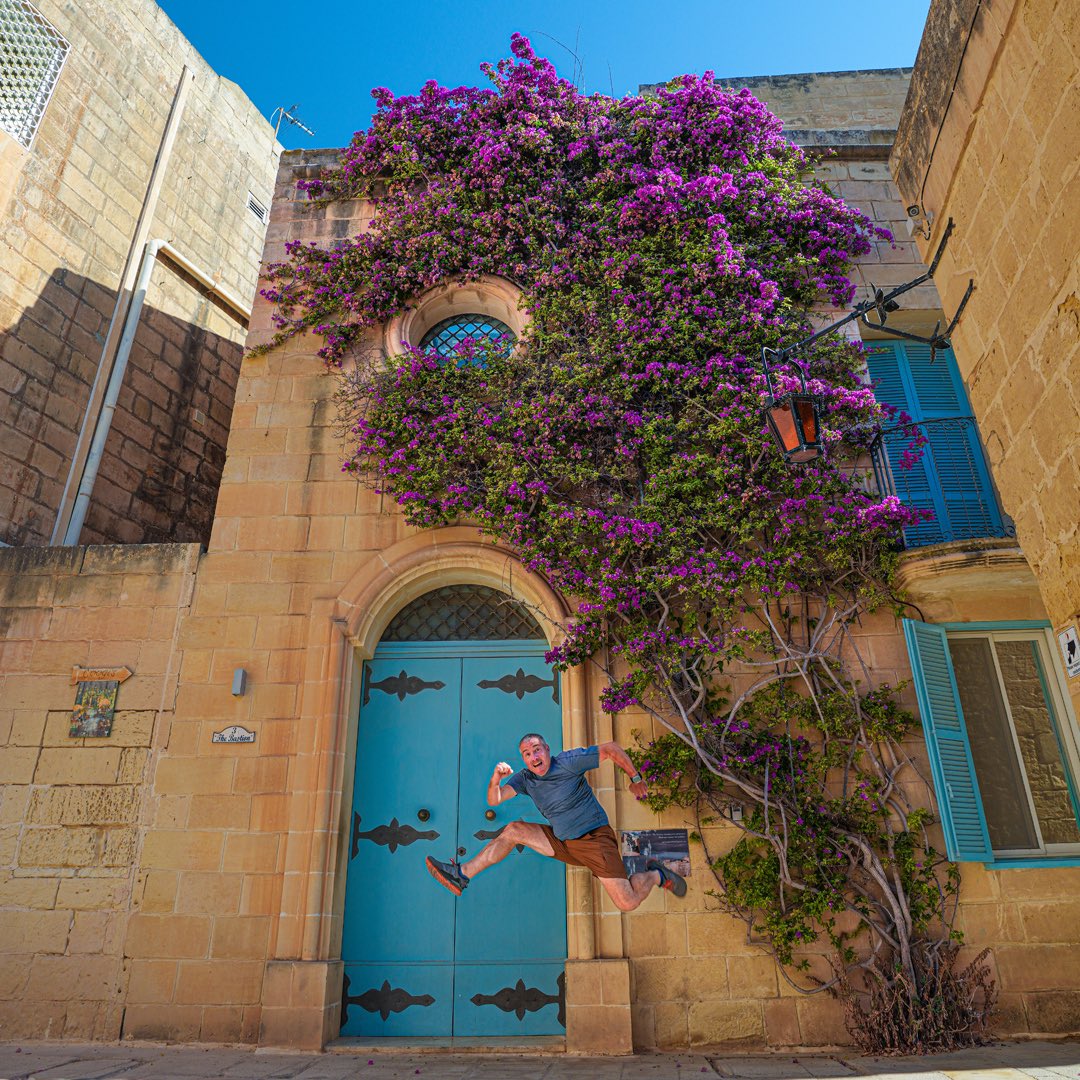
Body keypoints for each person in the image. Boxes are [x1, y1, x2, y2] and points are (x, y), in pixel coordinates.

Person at [425, 733, 686, 910]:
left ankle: (656, 874)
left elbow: (611, 749)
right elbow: (494, 799)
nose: (533, 757)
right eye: (527, 754)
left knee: (627, 902)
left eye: (537, 750)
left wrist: (635, 777)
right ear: (524, 759)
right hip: (563, 842)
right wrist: (496, 777)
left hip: (593, 840)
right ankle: (460, 875)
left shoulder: (568, 763)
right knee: (514, 829)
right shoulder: (526, 779)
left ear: (547, 750)